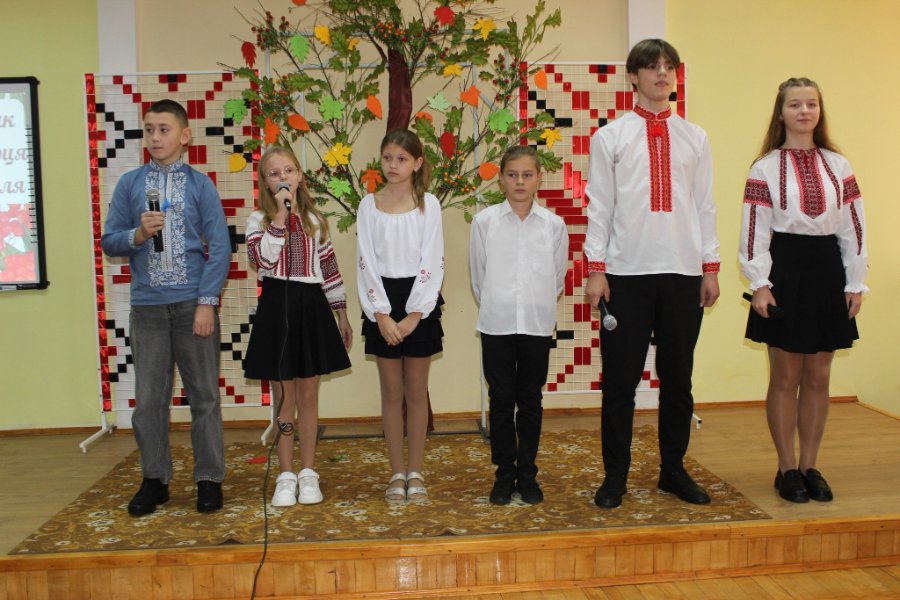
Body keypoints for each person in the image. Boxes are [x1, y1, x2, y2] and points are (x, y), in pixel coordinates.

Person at [584, 39, 721, 509]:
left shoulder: (695, 137)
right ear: (633, 76)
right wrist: (597, 269)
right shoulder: (611, 137)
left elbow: (704, 206)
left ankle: (673, 471)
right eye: (651, 66)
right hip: (626, 274)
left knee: (678, 380)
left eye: (669, 67)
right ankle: (615, 477)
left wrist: (710, 267)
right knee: (620, 383)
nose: (662, 74)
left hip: (683, 273)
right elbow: (599, 207)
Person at [739, 77, 867, 503]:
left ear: (819, 111)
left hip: (828, 269)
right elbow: (754, 229)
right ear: (781, 112)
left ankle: (811, 466)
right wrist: (760, 284)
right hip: (785, 270)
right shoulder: (764, 167)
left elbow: (854, 227)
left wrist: (855, 281)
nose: (804, 111)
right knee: (786, 375)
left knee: (819, 375)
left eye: (811, 104)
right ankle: (786, 468)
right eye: (795, 104)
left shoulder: (839, 165)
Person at [101, 99, 231, 515]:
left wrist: (207, 303)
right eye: (149, 129)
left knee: (204, 397)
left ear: (185, 135)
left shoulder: (200, 185)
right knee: (148, 401)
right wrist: (138, 235)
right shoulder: (130, 184)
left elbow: (220, 247)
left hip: (193, 306)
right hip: (148, 310)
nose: (155, 137)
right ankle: (155, 479)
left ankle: (208, 478)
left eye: (163, 129)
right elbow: (109, 241)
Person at [243, 146, 353, 507]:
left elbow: (330, 270)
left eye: (288, 171)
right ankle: (286, 474)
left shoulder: (315, 221)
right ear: (265, 181)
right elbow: (262, 259)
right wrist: (279, 216)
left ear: (299, 176)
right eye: (274, 173)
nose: (282, 178)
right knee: (284, 398)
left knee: (307, 396)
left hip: (310, 307)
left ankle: (308, 472)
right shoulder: (257, 220)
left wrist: (341, 312)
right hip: (277, 307)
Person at [469, 146, 568, 505]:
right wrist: (499, 304)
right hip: (496, 323)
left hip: (536, 325)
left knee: (530, 400)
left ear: (539, 178)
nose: (520, 182)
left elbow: (557, 278)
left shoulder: (553, 226)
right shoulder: (485, 223)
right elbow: (478, 277)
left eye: (527, 175)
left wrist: (533, 306)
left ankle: (527, 473)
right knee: (500, 400)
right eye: (512, 175)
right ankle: (503, 473)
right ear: (501, 179)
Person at [357, 128, 444, 504]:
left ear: (417, 163)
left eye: (402, 159)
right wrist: (381, 314)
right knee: (391, 392)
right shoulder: (368, 205)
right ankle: (396, 472)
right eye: (388, 157)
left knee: (417, 391)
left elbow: (433, 259)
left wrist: (415, 314)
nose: (393, 165)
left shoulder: (429, 205)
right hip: (382, 303)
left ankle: (416, 472)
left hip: (418, 302)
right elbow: (365, 261)